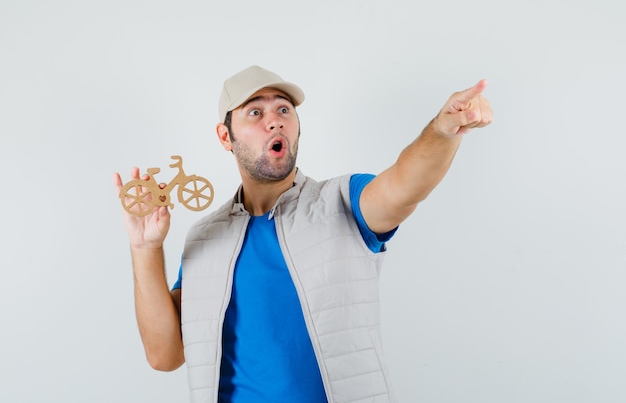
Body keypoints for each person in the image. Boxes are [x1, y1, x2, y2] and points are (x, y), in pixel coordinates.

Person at [113, 65, 493, 403]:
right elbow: (164, 355)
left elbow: (403, 187)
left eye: (283, 109)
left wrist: (443, 132)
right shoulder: (204, 237)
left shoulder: (343, 200)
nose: (274, 121)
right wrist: (145, 247)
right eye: (255, 113)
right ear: (225, 136)